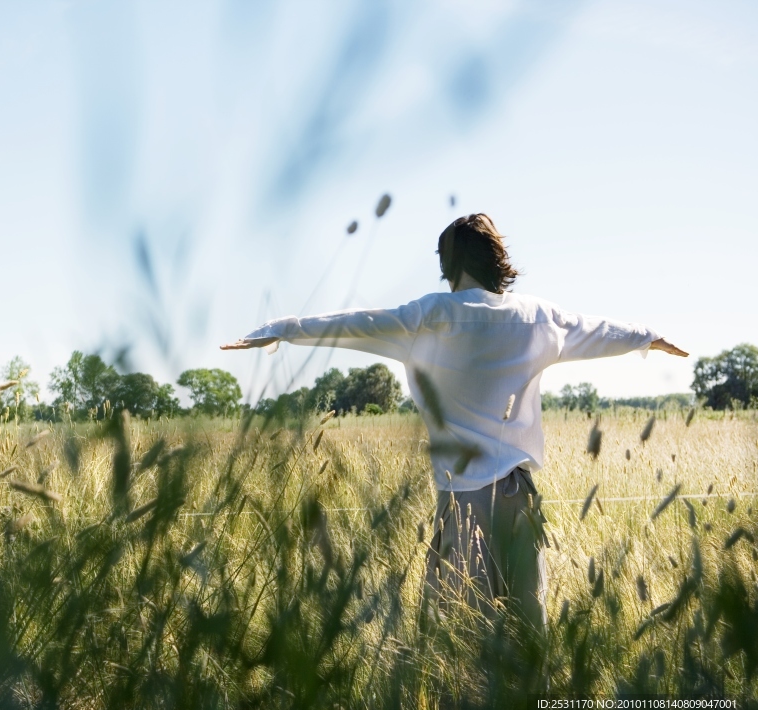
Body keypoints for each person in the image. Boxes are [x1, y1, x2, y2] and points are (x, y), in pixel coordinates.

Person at [220, 213, 688, 631]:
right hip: (520, 495)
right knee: (528, 620)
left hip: (462, 500)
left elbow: (354, 322)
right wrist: (649, 336)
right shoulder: (536, 315)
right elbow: (598, 330)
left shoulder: (429, 315)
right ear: (496, 261)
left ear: (447, 264)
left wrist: (280, 328)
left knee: (462, 626)